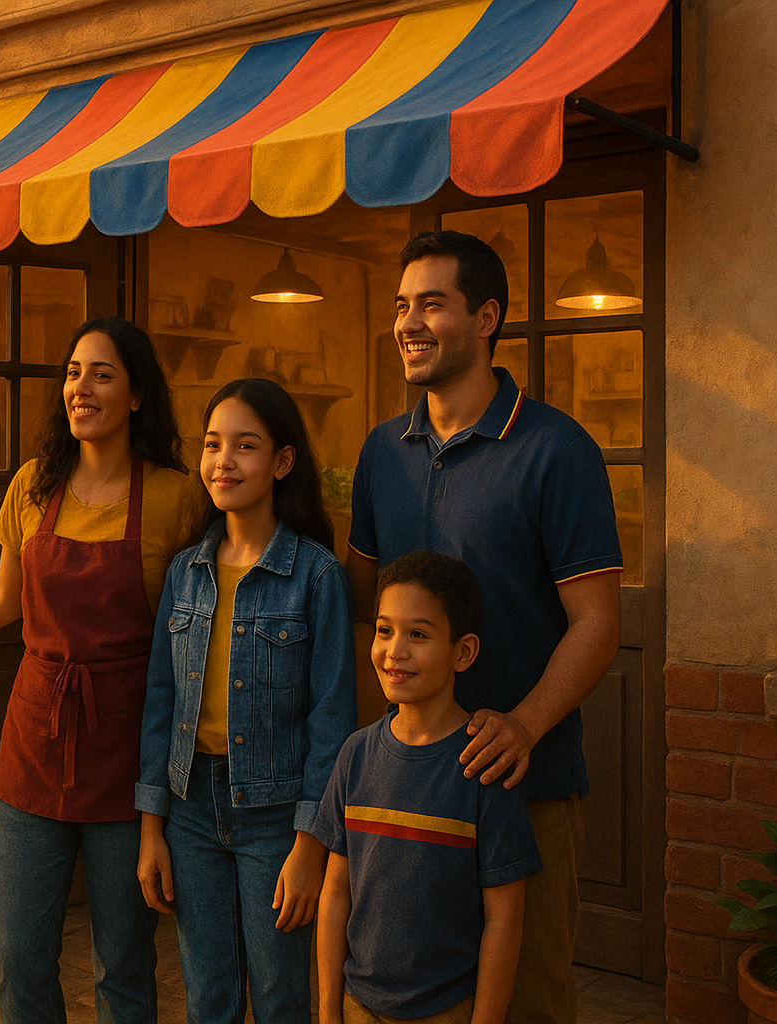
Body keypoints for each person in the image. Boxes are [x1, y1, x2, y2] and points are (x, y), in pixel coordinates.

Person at [347, 230, 622, 1024]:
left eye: (432, 304)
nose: (409, 323)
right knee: (410, 999)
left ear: (487, 317)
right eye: (403, 305)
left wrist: (525, 725)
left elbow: (598, 622)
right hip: (406, 792)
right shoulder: (380, 454)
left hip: (523, 784)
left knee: (527, 1003)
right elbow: (360, 606)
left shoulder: (557, 450)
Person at [0, 316, 200, 1024]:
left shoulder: (176, 497)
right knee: (17, 958)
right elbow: (9, 599)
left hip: (126, 750)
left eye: (103, 374)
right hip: (33, 744)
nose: (83, 387)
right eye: (74, 373)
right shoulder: (31, 485)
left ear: (136, 395)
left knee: (125, 965)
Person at [137, 378, 355, 1024]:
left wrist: (310, 844)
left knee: (282, 998)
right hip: (190, 812)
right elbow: (159, 702)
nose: (223, 461)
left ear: (283, 462)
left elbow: (332, 719)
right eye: (212, 445)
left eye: (245, 446)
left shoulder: (317, 575)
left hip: (277, 818)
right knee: (209, 998)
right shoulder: (185, 572)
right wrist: (151, 829)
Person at [315, 551, 542, 1024]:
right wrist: (329, 1010)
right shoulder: (355, 756)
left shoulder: (484, 767)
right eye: (384, 630)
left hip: (447, 1010)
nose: (395, 651)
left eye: (417, 634)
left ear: (464, 652)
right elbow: (335, 893)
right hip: (358, 1005)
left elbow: (505, 918)